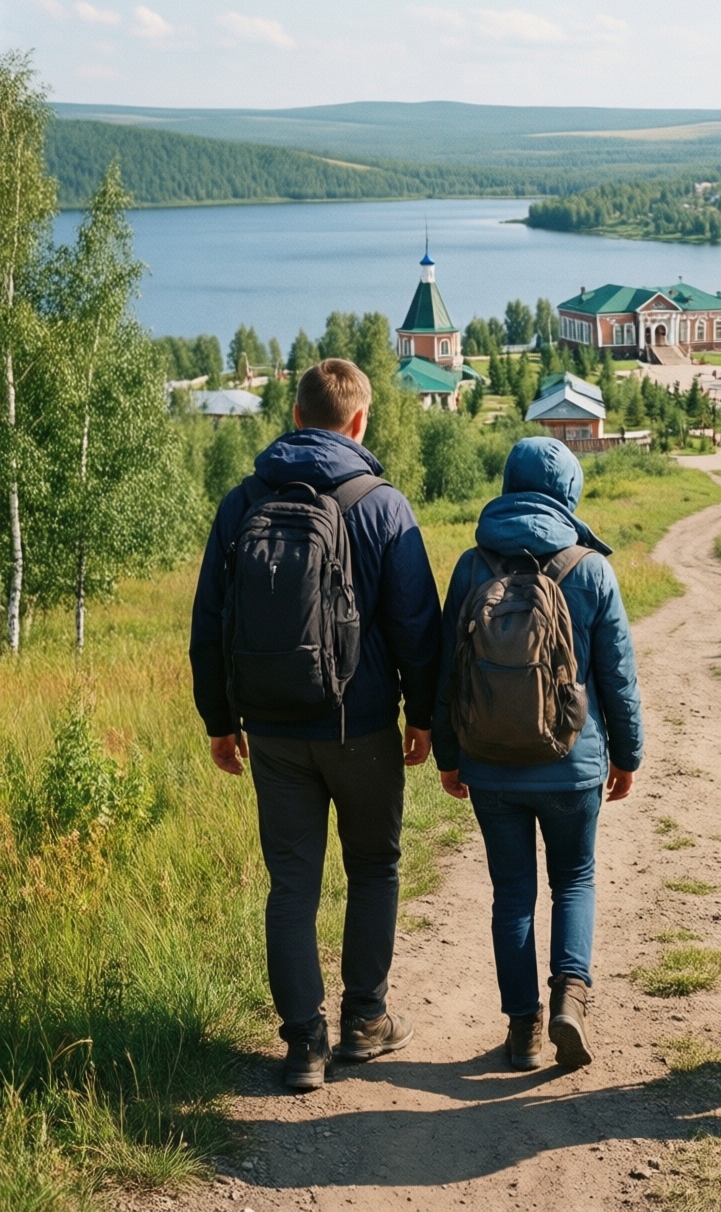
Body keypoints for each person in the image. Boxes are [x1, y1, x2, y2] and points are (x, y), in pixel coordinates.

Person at [190, 358, 441, 1090]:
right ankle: (365, 1021)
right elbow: (416, 625)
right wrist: (422, 715)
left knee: (292, 884)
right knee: (373, 867)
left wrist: (219, 720)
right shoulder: (383, 505)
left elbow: (209, 624)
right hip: (360, 728)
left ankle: (303, 1045)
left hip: (270, 729)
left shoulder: (242, 502)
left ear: (295, 416)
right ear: (358, 421)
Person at [433, 437, 643, 1072]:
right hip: (572, 763)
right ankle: (570, 1003)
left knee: (512, 892)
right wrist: (626, 755)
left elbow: (448, 669)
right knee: (574, 879)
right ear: (570, 495)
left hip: (490, 761)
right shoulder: (590, 569)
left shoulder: (473, 566)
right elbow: (618, 676)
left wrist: (449, 753)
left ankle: (522, 1031)